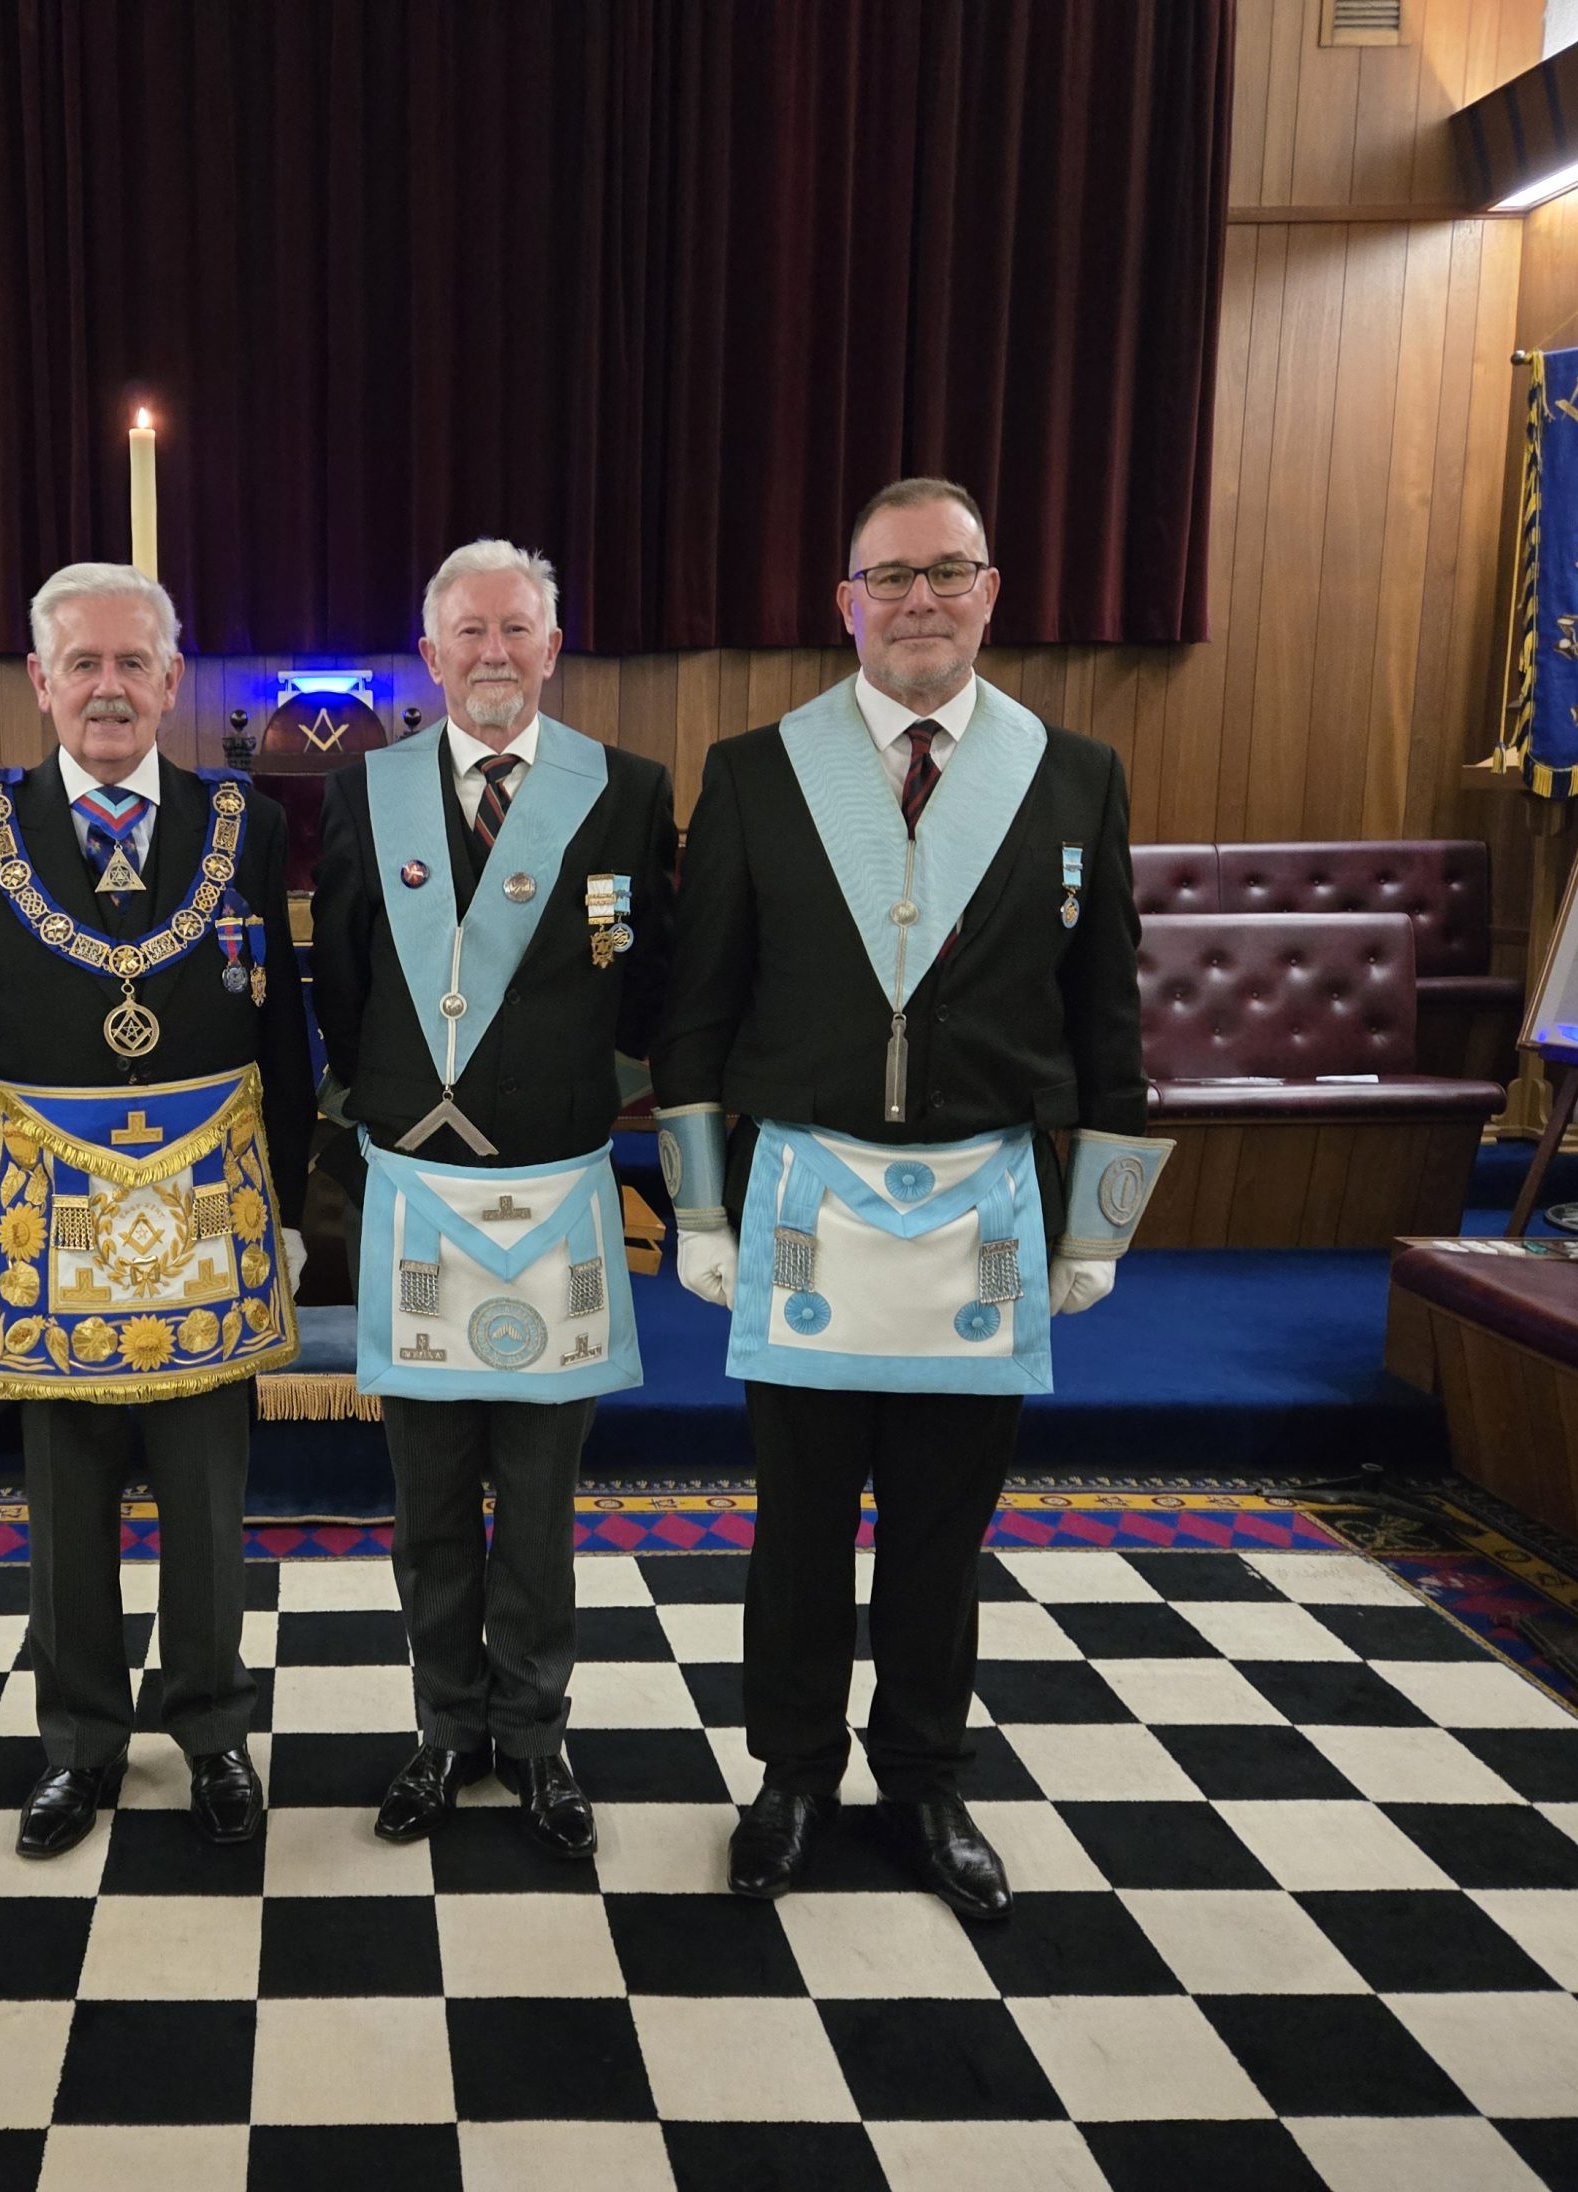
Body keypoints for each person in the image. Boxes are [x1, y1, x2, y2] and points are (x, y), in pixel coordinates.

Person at [651, 479, 1169, 1922]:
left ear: (992, 591)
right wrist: (696, 1207)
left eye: (949, 573)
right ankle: (795, 1776)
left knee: (948, 1529)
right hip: (806, 1194)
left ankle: (927, 1776)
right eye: (892, 578)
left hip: (989, 1211)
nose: (921, 600)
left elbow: (1108, 1012)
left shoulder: (1073, 774)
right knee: (800, 1524)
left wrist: (1103, 1221)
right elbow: (699, 1014)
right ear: (847, 603)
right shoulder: (758, 769)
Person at [0, 562, 314, 1857]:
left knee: (207, 1499)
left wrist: (291, 1212)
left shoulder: (241, 825)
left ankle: (209, 1730)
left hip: (209, 1213)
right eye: (80, 663)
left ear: (173, 681)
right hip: (46, 1221)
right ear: (39, 681)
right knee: (65, 1502)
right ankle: (77, 1743)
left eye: (134, 663)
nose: (108, 687)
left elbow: (286, 1038)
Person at [309, 540, 675, 1857]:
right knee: (425, 1494)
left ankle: (535, 1735)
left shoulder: (624, 791)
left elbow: (644, 975)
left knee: (539, 1497)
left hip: (556, 1190)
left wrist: (576, 1089)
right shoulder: (369, 790)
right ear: (431, 653)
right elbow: (340, 981)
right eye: (467, 631)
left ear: (551, 646)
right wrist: (388, 1099)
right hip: (416, 1191)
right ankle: (442, 1727)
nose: (493, 652)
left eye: (516, 628)